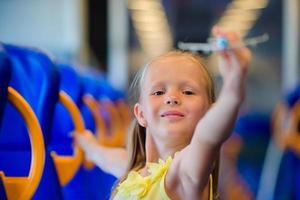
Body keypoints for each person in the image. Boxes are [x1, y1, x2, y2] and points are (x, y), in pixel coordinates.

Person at [75, 26, 251, 199]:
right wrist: (85, 143)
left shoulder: (183, 175)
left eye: (188, 92)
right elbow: (106, 157)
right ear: (141, 114)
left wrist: (233, 88)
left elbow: (208, 136)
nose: (172, 98)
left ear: (208, 113)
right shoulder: (134, 172)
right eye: (159, 92)